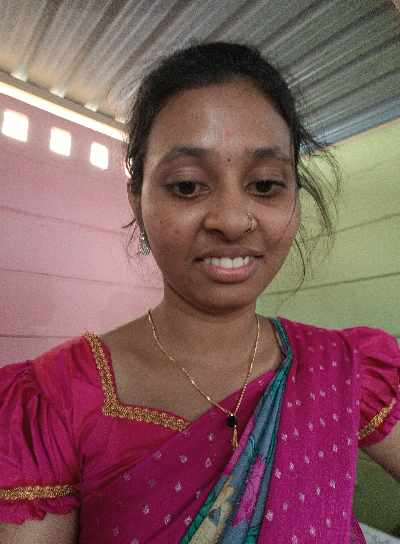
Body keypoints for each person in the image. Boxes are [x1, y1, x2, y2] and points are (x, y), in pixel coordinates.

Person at [0, 42, 399, 544]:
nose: (232, 220)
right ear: (138, 200)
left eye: (266, 184)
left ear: (296, 199)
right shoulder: (53, 403)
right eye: (188, 186)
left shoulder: (344, 367)